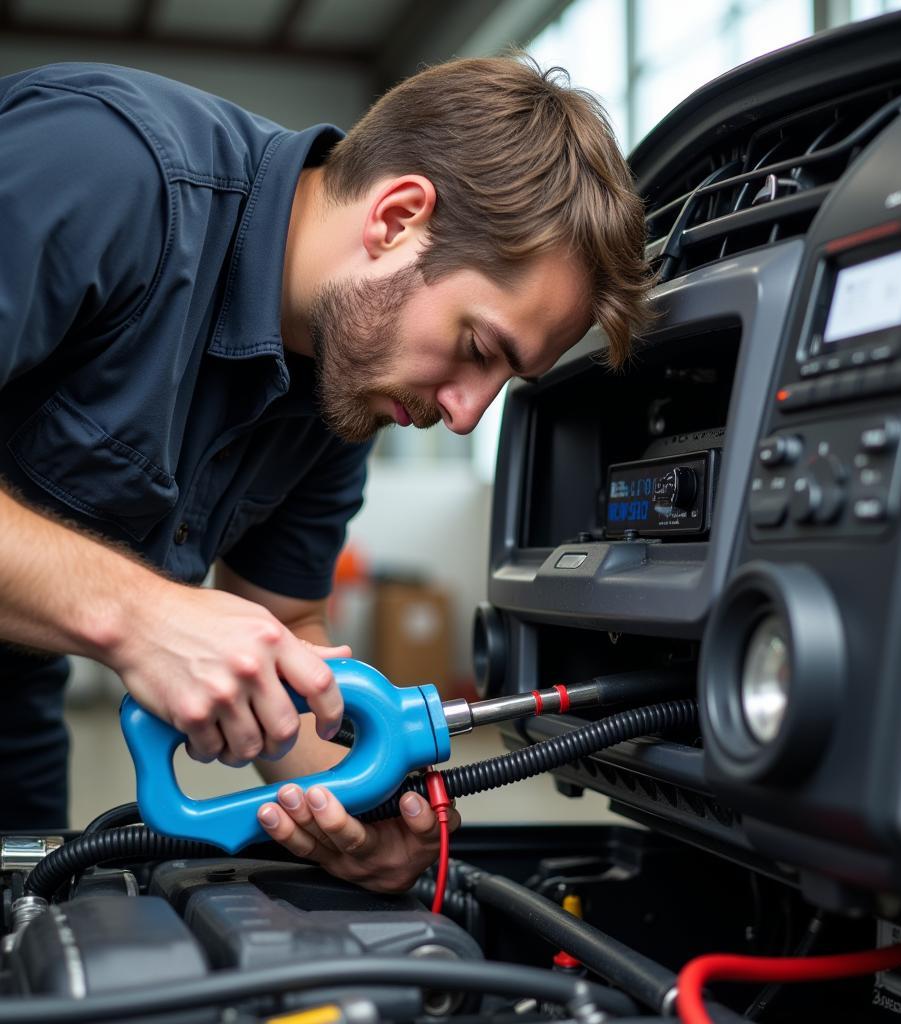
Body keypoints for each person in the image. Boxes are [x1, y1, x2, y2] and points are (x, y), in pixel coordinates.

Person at [0, 55, 649, 890]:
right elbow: (156, 619)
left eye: (501, 382)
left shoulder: (345, 378)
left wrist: (355, 802)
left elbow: (283, 620)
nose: (465, 413)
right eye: (478, 348)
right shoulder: (103, 168)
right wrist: (139, 615)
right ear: (398, 218)